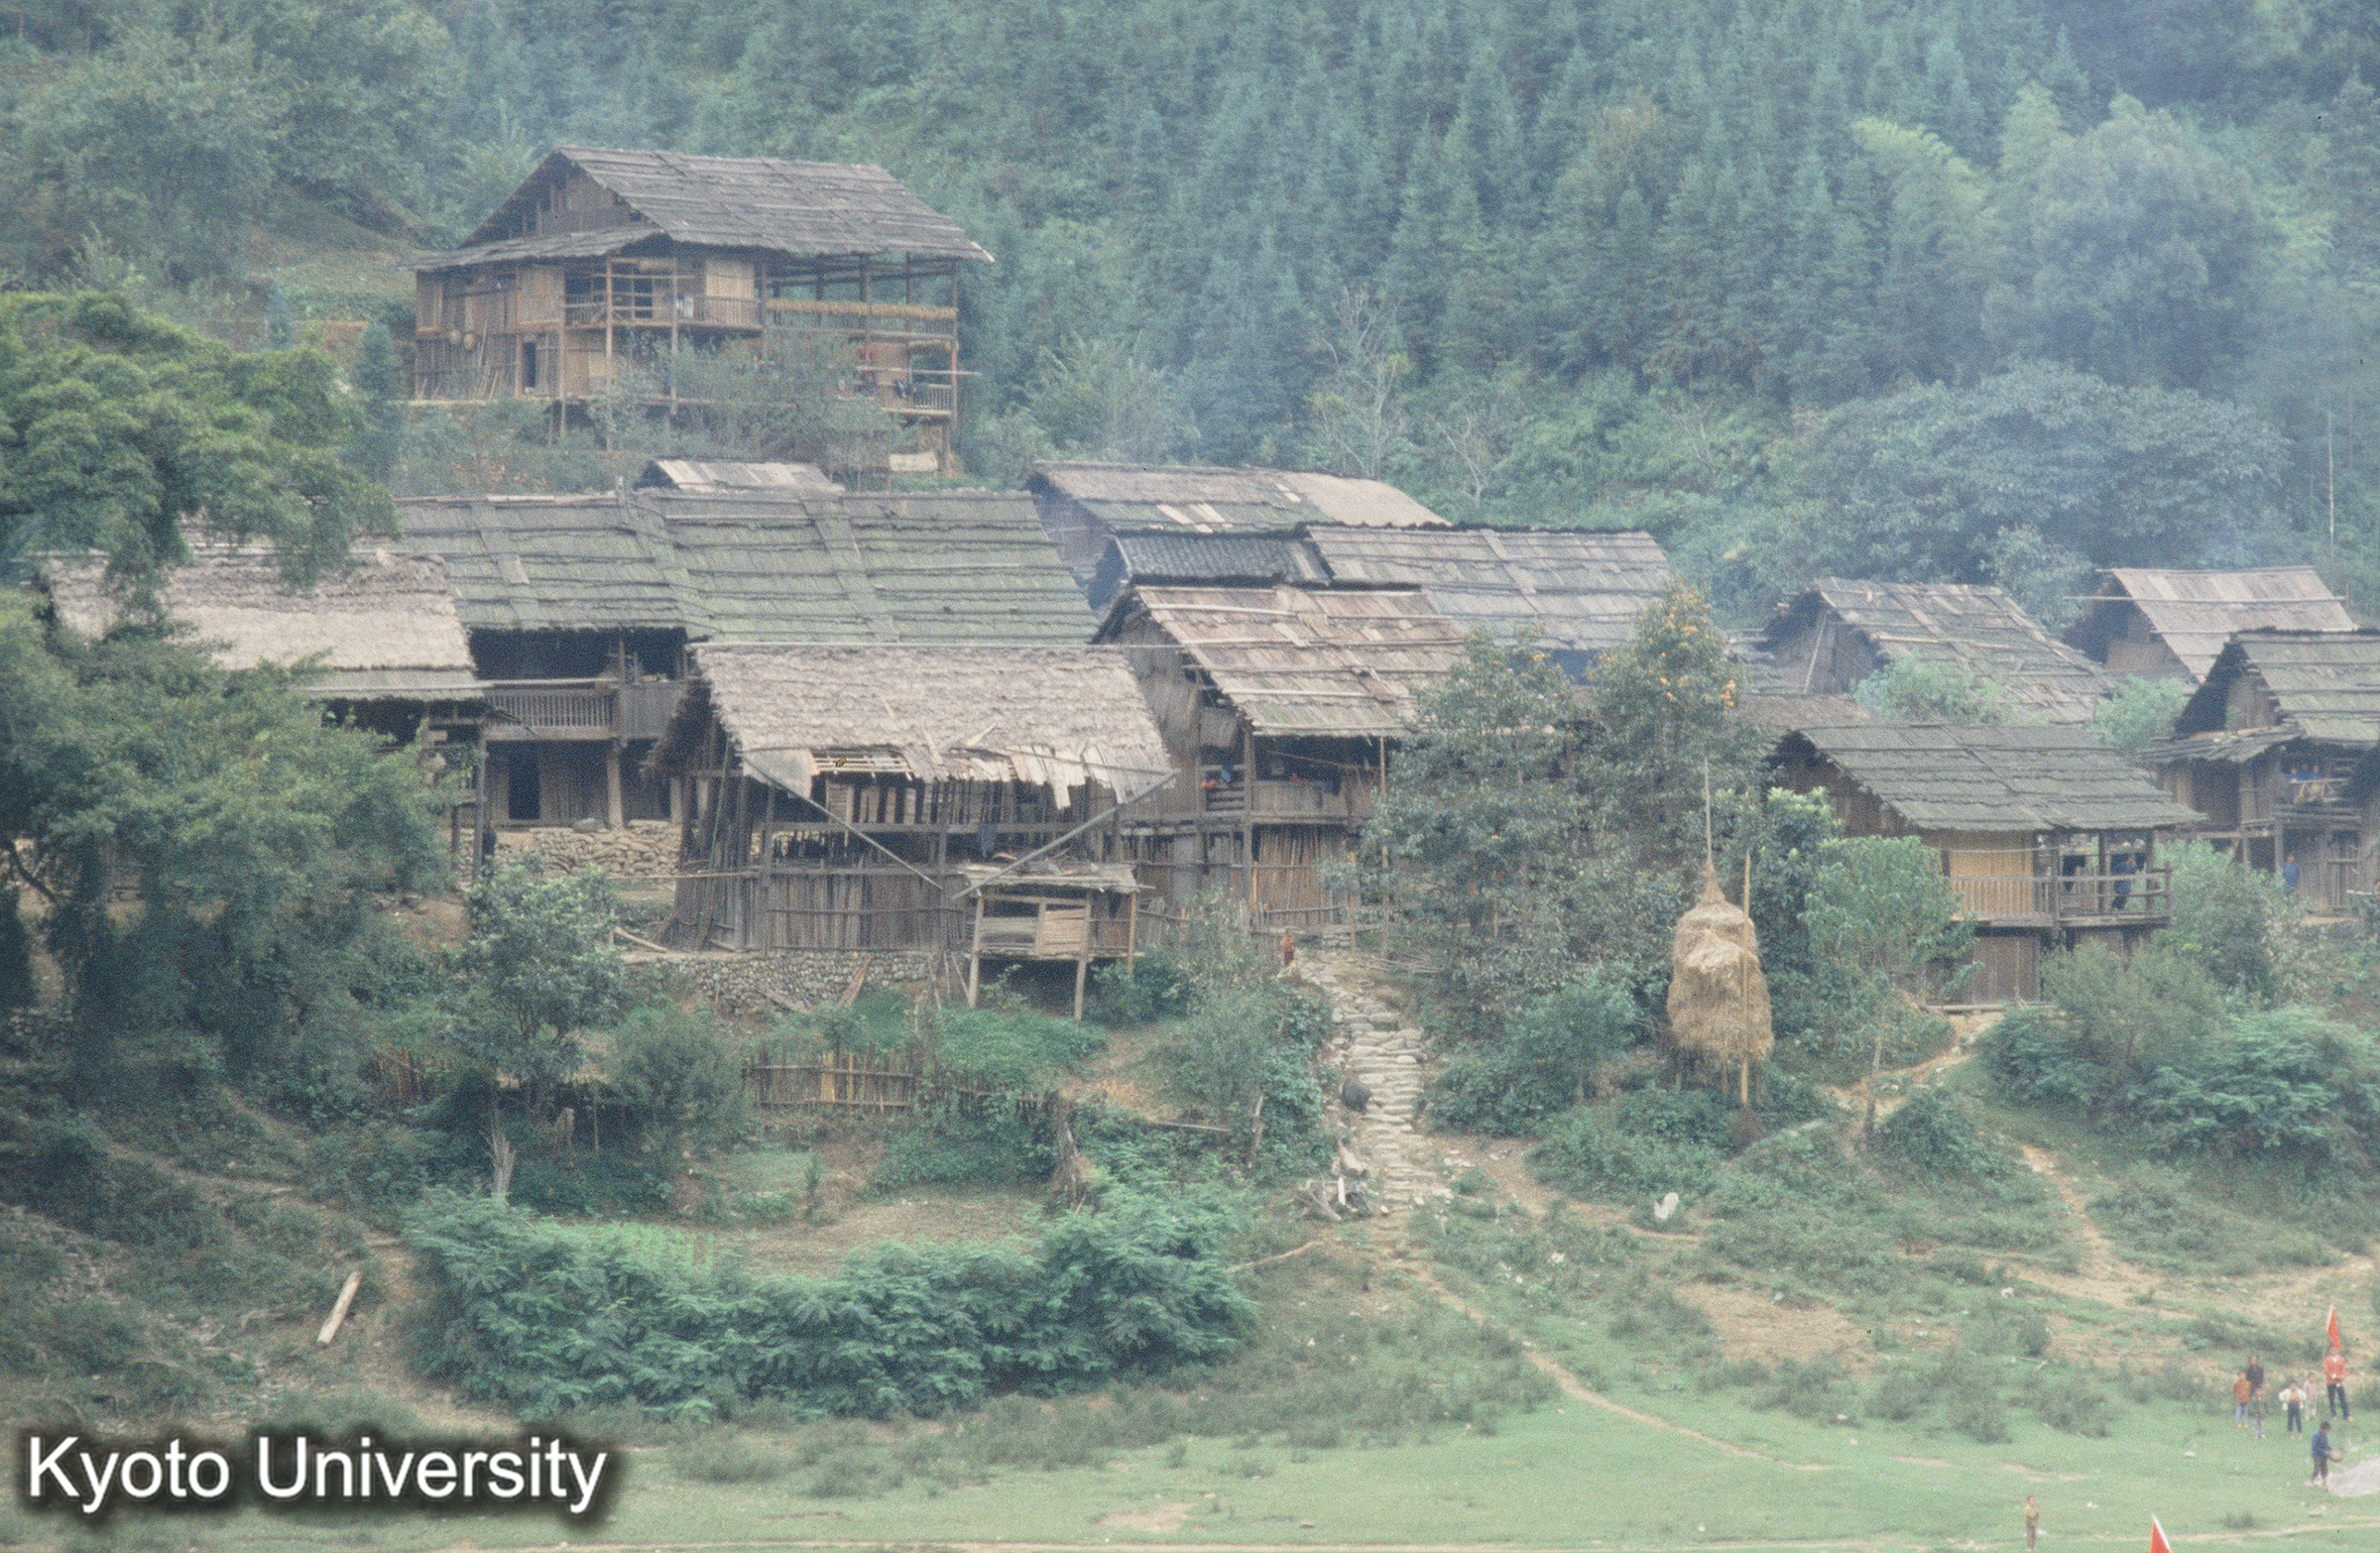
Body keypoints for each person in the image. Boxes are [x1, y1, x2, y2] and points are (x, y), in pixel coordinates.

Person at [2327, 1347, 2351, 1419]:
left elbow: (2343, 1368)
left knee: (2342, 1398)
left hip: (2339, 1382)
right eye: (2331, 1350)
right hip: (2331, 1382)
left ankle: (2346, 1415)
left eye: (2334, 1350)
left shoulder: (2340, 1358)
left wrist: (2342, 1376)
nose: (2333, 1351)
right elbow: (2327, 1370)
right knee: (2332, 1399)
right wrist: (2334, 1376)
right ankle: (2333, 1415)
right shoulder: (2327, 1359)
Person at [2313, 1420, 2337, 1487]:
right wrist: (2323, 1451)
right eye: (2327, 1429)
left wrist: (2331, 1449)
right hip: (2317, 1455)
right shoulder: (2316, 1436)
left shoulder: (2324, 1436)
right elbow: (2315, 1447)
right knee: (2317, 1469)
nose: (2328, 1431)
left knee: (2324, 1469)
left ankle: (2324, 1482)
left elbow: (2326, 1445)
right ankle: (2311, 1481)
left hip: (2324, 1456)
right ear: (2324, 1429)